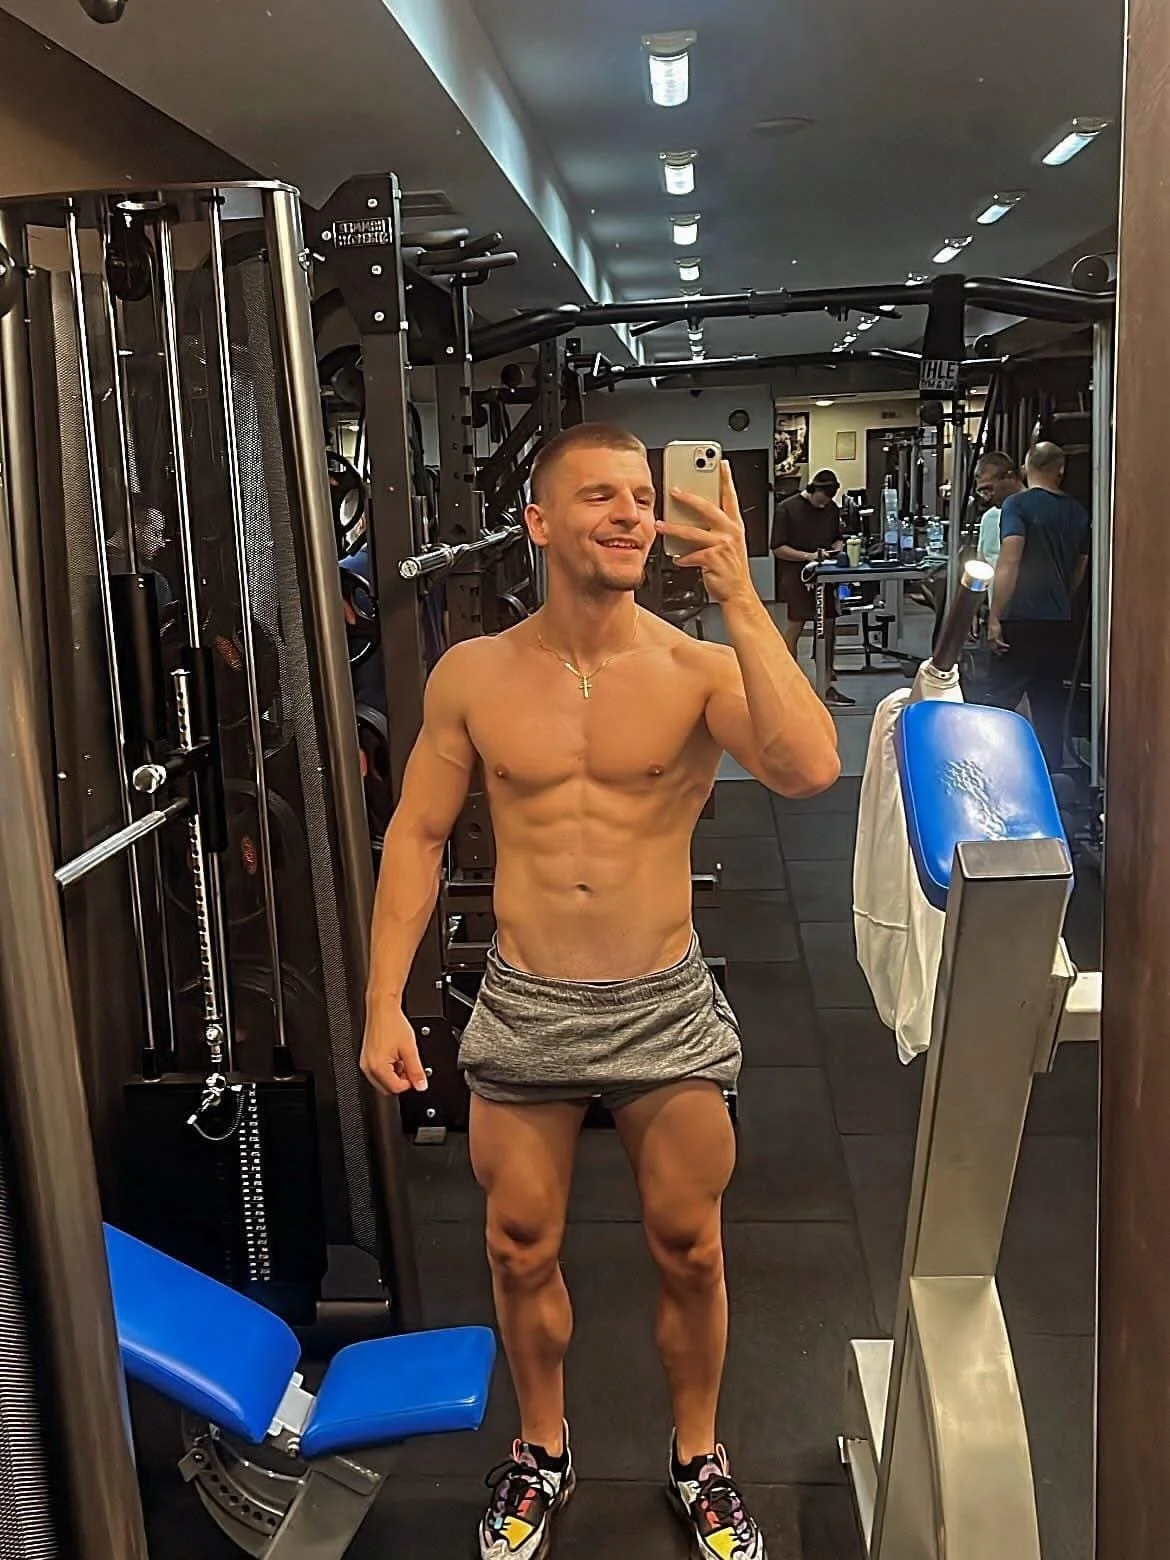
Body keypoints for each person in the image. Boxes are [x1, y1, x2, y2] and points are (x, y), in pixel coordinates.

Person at [361, 423, 840, 1560]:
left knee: (692, 1247)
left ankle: (698, 1456)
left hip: (662, 1001)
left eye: (641, 495)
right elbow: (418, 834)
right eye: (599, 497)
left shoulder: (697, 670)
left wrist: (738, 591)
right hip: (527, 1001)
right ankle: (542, 1447)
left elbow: (810, 767)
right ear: (537, 522)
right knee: (518, 1246)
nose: (631, 513)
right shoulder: (473, 674)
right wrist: (383, 1000)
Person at [986, 441, 1090, 771]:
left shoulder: (1017, 505)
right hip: (1058, 619)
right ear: (1061, 470)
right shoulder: (1078, 512)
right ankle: (1050, 777)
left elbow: (1010, 560)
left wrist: (995, 616)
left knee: (997, 702)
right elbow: (1079, 569)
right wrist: (1060, 598)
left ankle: (989, 772)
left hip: (1020, 617)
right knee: (1049, 704)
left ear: (1026, 467)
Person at [770, 469, 854, 706]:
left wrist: (837, 547)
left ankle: (826, 685)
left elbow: (837, 536)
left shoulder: (831, 509)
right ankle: (789, 684)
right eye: (821, 500)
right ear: (813, 490)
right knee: (795, 626)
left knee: (828, 628)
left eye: (827, 501)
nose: (823, 505)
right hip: (796, 576)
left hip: (825, 575)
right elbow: (777, 548)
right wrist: (809, 556)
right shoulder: (786, 509)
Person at [974, 451, 1026, 593]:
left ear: (1010, 477)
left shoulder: (1037, 512)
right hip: (997, 604)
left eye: (989, 489)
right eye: (982, 492)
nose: (987, 498)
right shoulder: (989, 519)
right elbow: (981, 568)